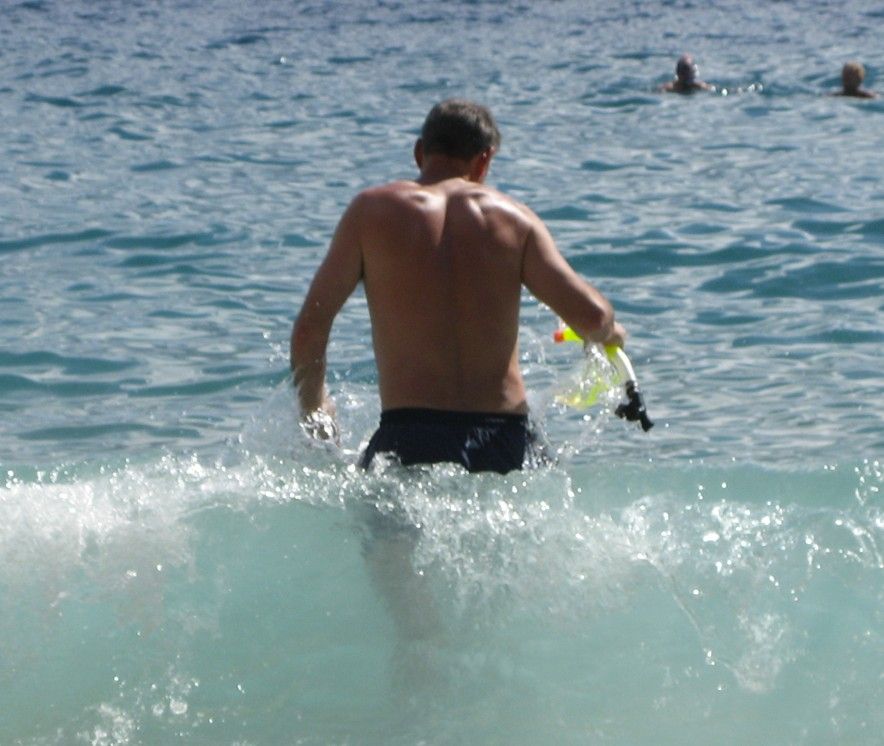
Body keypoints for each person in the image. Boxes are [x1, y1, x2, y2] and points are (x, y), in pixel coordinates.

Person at [290, 99, 626, 475]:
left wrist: (315, 410)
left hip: (408, 437)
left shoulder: (370, 212)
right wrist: (611, 330)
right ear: (484, 160)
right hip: (504, 440)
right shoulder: (515, 219)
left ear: (419, 152)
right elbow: (593, 318)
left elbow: (309, 330)